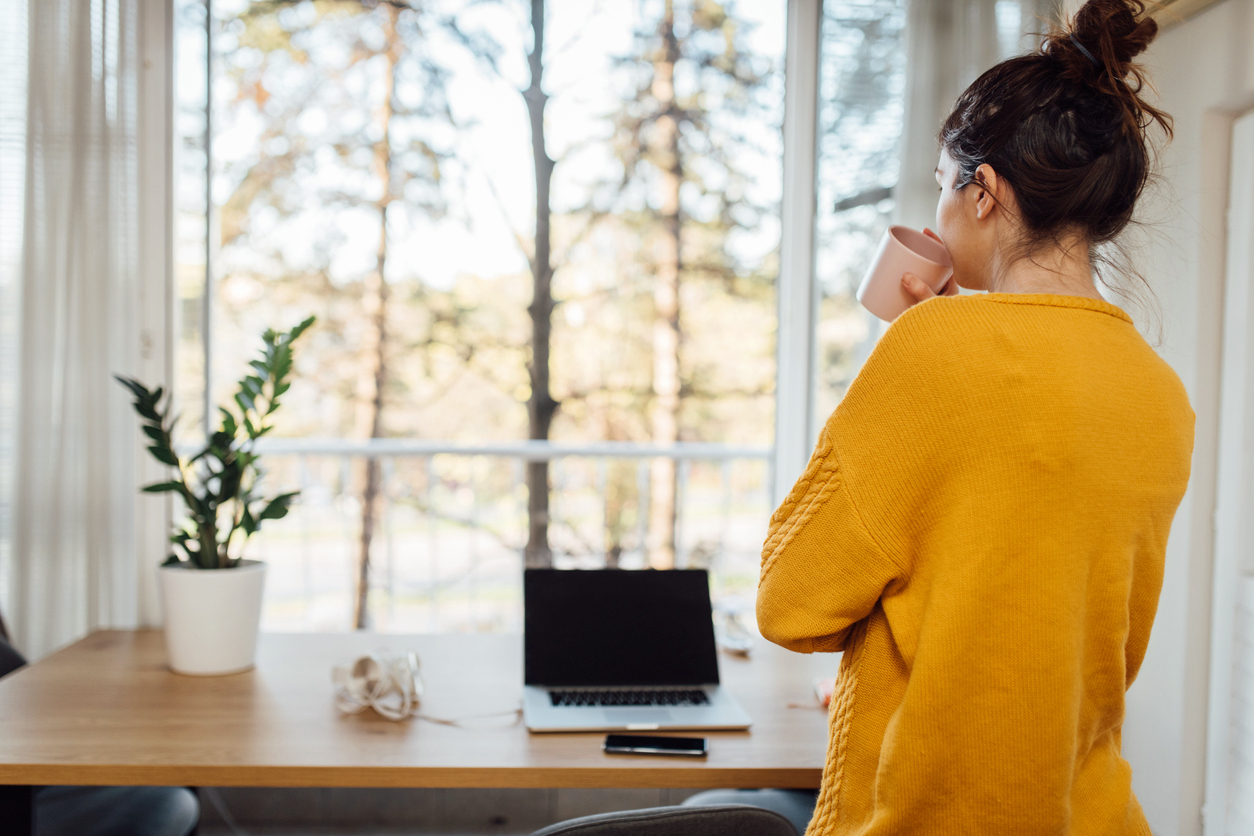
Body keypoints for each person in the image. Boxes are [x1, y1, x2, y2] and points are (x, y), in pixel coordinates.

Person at [753, 0, 1193, 834]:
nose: (937, 212)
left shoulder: (930, 354)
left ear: (982, 189)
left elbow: (790, 603)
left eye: (938, 183)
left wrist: (911, 349)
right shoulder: (1157, 391)